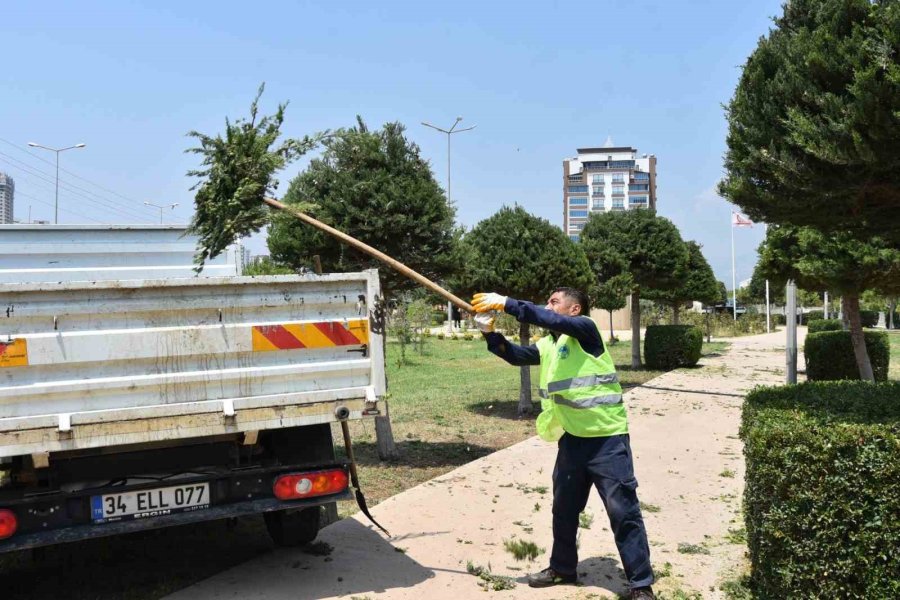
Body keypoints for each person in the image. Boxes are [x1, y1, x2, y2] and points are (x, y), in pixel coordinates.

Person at [472, 289, 655, 600]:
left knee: (623, 512)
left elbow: (544, 317)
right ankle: (562, 568)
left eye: (555, 302)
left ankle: (641, 585)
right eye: (548, 302)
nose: (548, 307)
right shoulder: (551, 344)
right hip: (572, 440)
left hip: (606, 439)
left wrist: (507, 304)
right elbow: (517, 355)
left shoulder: (586, 330)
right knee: (564, 508)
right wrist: (491, 334)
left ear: (575, 309)